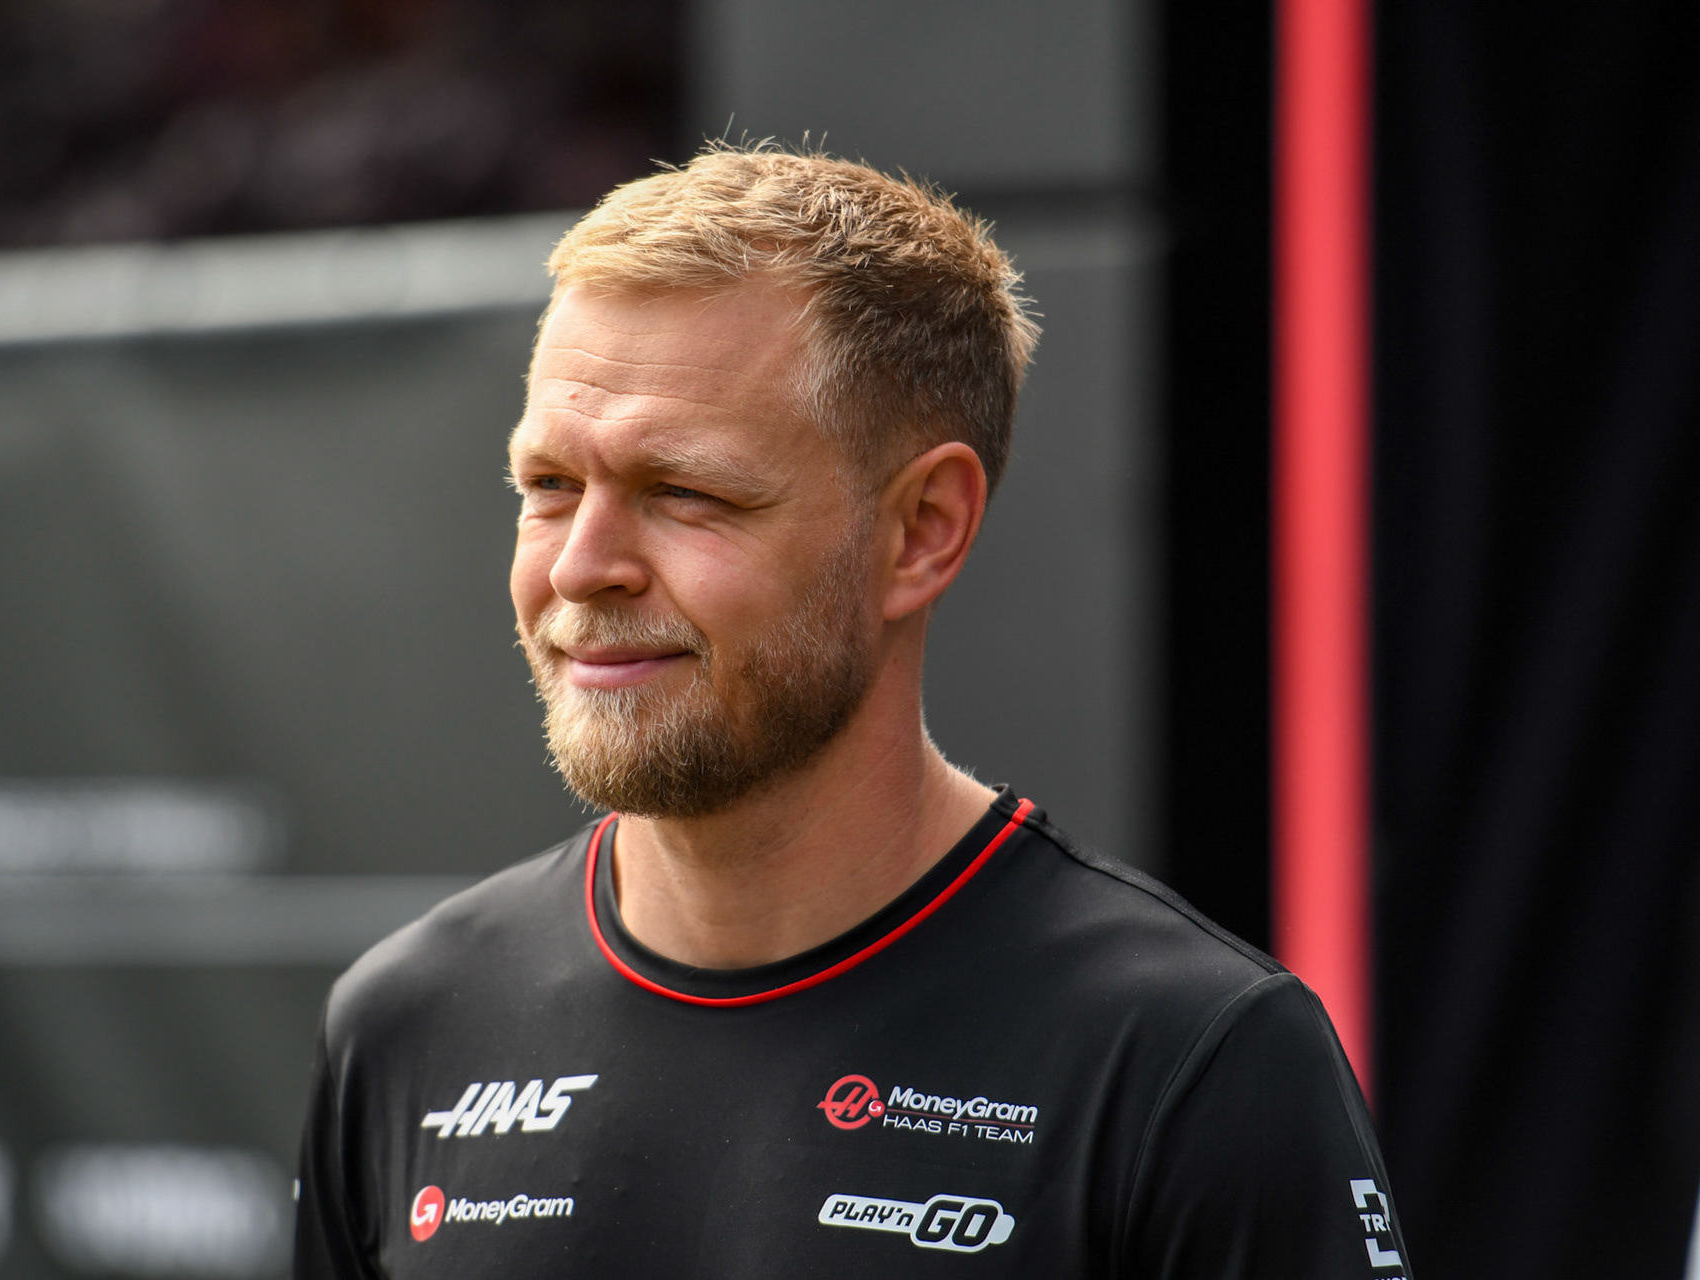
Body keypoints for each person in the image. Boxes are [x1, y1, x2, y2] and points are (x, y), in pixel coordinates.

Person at [292, 143, 1412, 1279]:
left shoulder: (1188, 1060)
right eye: (550, 487)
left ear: (923, 529)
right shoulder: (405, 1025)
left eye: (686, 492)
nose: (582, 567)